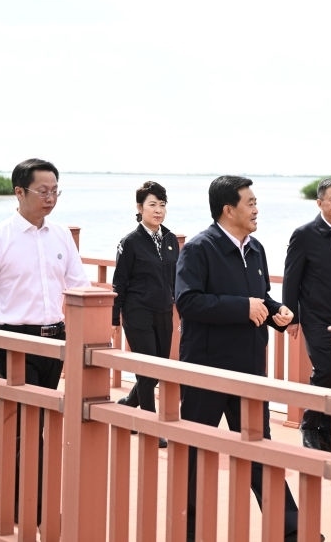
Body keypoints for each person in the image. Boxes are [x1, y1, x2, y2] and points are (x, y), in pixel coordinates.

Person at [175, 175, 319, 542]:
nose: (256, 209)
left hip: (250, 369)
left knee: (260, 450)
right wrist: (243, 308)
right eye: (250, 203)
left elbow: (260, 298)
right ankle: (190, 532)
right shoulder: (199, 249)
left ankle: (292, 530)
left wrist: (276, 312)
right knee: (195, 453)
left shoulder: (256, 249)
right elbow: (187, 302)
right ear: (229, 209)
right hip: (207, 371)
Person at [0, 158, 90, 524]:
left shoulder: (61, 235)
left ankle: (32, 498)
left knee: (46, 423)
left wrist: (91, 336)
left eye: (55, 191)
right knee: (25, 424)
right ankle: (24, 506)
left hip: (56, 338)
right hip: (16, 340)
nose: (50, 198)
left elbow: (79, 285)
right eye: (43, 191)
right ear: (19, 192)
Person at [282, 177, 331, 451]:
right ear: (319, 202)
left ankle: (328, 428)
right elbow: (292, 278)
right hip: (316, 317)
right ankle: (310, 424)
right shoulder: (304, 235)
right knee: (325, 370)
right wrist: (292, 317)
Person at [111, 181, 178, 449]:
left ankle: (129, 403)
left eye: (162, 205)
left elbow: (176, 279)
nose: (158, 210)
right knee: (147, 369)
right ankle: (151, 426)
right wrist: (114, 319)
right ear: (140, 208)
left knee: (158, 369)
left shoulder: (170, 240)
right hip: (137, 313)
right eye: (152, 204)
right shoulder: (129, 242)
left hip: (164, 312)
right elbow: (119, 282)